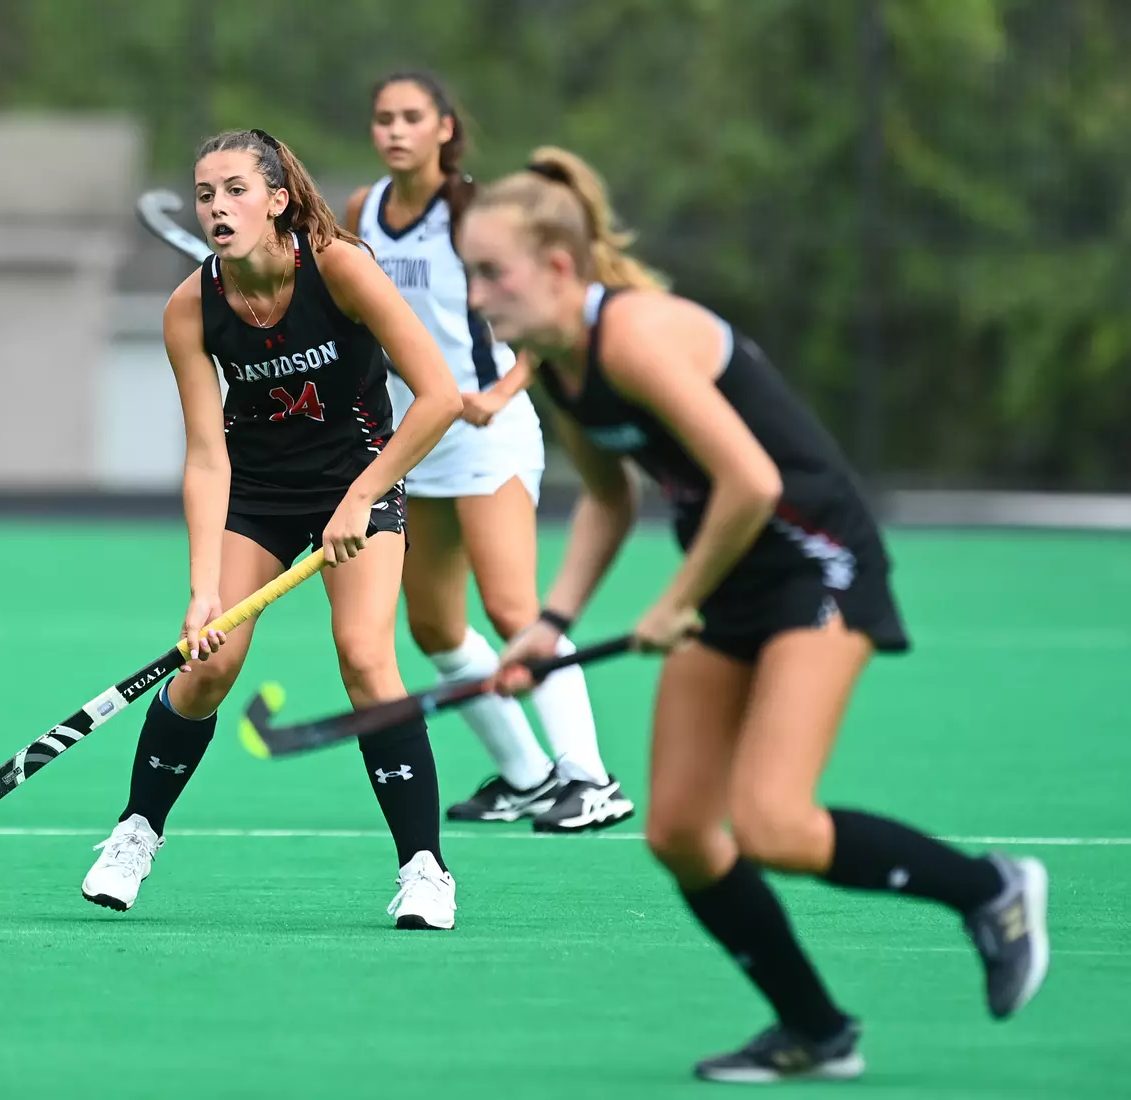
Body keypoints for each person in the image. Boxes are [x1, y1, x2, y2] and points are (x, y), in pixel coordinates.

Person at [464, 146, 1050, 1081]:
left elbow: (753, 480)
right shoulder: (558, 364)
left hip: (815, 562)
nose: (480, 293)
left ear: (560, 267)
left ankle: (993, 890)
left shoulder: (637, 338)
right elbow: (612, 500)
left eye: (492, 272)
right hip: (732, 570)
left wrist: (673, 603)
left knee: (775, 823)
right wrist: (549, 621)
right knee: (683, 833)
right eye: (472, 273)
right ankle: (816, 1032)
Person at [81, 128, 465, 930]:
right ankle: (135, 832)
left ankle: (425, 869)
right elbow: (205, 458)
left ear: (278, 199)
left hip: (358, 479)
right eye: (205, 194)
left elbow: (438, 397)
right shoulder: (191, 308)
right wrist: (201, 593)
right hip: (256, 493)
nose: (218, 208)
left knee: (366, 656)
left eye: (235, 191)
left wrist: (362, 495)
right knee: (212, 667)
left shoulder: (341, 268)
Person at [343, 70, 633, 833]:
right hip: (417, 436)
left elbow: (544, 307)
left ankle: (590, 777)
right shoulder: (362, 211)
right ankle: (528, 777)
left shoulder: (473, 210)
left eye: (411, 117)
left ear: (444, 127)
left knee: (512, 607)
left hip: (487, 430)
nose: (395, 131)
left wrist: (502, 394)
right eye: (383, 119)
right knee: (435, 627)